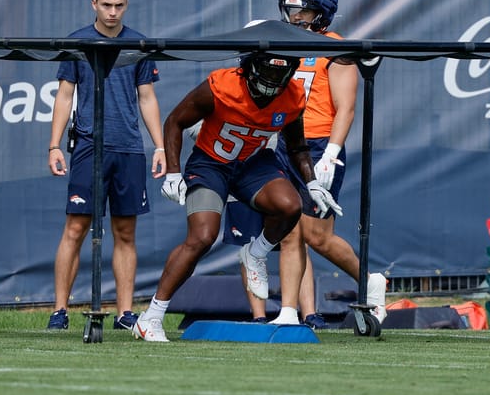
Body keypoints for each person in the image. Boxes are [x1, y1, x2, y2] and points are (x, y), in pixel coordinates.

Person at [132, 49, 341, 342]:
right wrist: (173, 172)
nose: (271, 80)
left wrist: (313, 183)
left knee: (290, 206)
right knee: (202, 237)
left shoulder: (292, 95)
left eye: (279, 72)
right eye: (266, 71)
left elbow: (297, 147)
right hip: (210, 164)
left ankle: (255, 253)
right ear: (250, 67)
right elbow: (175, 121)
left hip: (253, 164)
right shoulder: (222, 85)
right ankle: (151, 316)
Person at [235, 0, 387, 327]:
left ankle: (369, 280)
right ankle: (288, 312)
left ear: (321, 11)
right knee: (289, 232)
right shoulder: (282, 42)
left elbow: (345, 107)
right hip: (285, 144)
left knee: (317, 236)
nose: (294, 18)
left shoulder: (335, 49)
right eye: (290, 10)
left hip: (318, 147)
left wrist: (332, 152)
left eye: (301, 11)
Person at [47, 0, 166, 331]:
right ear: (93, 4)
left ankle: (125, 313)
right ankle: (59, 311)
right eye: (106, 5)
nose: (112, 12)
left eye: (118, 6)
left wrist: (159, 146)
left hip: (129, 149)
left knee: (126, 232)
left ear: (126, 5)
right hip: (87, 147)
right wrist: (54, 145)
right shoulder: (77, 43)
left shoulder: (139, 44)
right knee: (76, 228)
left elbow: (147, 97)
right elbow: (65, 95)